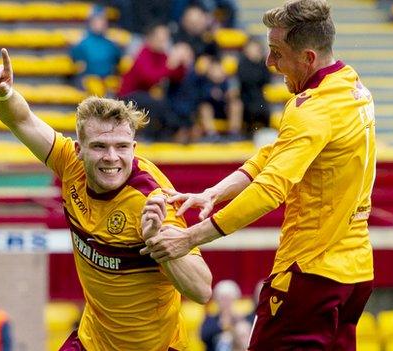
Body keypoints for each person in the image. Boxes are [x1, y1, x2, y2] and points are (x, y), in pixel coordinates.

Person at [142, 0, 376, 349]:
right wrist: (215, 192)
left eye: (276, 52)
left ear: (308, 58)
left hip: (309, 273)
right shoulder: (351, 87)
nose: (269, 63)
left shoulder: (310, 110)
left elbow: (270, 190)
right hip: (355, 274)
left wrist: (190, 238)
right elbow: (275, 153)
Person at [0, 48, 212, 351]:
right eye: (100, 146)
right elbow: (23, 121)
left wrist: (158, 242)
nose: (111, 158)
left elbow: (201, 289)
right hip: (92, 342)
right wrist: (2, 94)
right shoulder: (69, 164)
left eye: (121, 147)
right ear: (79, 149)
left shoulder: (152, 200)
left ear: (133, 147)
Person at [118, 23, 194, 141]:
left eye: (165, 38)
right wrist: (170, 65)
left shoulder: (162, 55)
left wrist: (181, 64)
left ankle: (171, 133)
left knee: (172, 103)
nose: (164, 41)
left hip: (146, 96)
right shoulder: (143, 53)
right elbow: (149, 78)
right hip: (128, 97)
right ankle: (151, 137)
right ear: (151, 38)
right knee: (158, 104)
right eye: (161, 38)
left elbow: (176, 77)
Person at [68, 5, 122, 88]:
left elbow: (118, 59)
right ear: (91, 22)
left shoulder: (111, 43)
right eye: (97, 20)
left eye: (102, 20)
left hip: (108, 82)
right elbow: (75, 60)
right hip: (88, 83)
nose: (100, 23)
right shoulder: (82, 43)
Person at [237, 37, 271, 136]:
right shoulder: (242, 63)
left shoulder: (262, 63)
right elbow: (245, 80)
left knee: (263, 109)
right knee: (252, 109)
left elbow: (266, 79)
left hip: (259, 96)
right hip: (246, 96)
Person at [200, 280, 246, 351]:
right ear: (217, 301)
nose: (225, 302)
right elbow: (204, 337)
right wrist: (222, 325)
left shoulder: (241, 318)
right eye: (222, 299)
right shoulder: (211, 319)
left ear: (234, 299)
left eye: (228, 299)